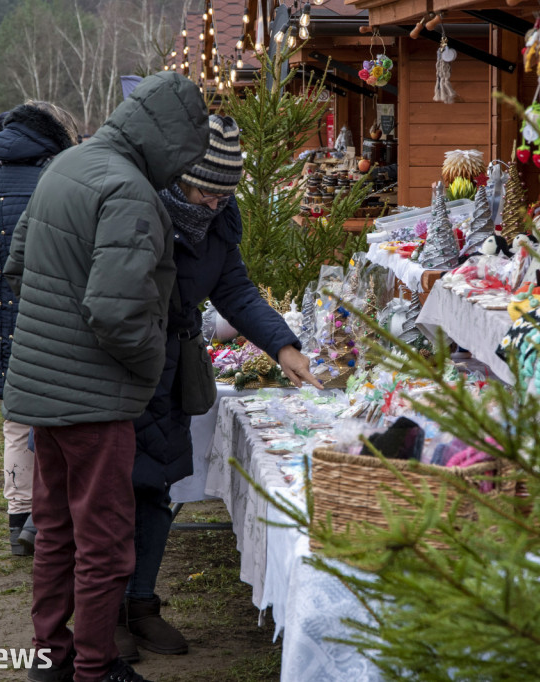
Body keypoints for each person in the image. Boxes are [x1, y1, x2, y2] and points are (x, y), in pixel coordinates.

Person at [1, 71, 210, 682]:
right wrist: (149, 367)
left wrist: (56, 335)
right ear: (171, 137)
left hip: (42, 389)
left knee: (57, 531)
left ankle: (51, 658)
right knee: (105, 541)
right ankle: (95, 667)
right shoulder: (129, 191)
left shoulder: (66, 166)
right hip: (95, 399)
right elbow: (117, 311)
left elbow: (17, 267)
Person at [116, 115, 322, 661]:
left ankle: (141, 605)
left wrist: (283, 345)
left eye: (223, 196)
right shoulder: (140, 207)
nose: (214, 205)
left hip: (175, 368)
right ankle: (103, 613)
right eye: (207, 192)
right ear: (183, 175)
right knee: (112, 494)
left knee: (158, 490)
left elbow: (236, 289)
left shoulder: (219, 217)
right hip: (123, 367)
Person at [0, 102, 77, 557]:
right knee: (58, 424)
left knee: (15, 423)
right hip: (55, 325)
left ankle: (20, 520)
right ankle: (44, 522)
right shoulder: (58, 187)